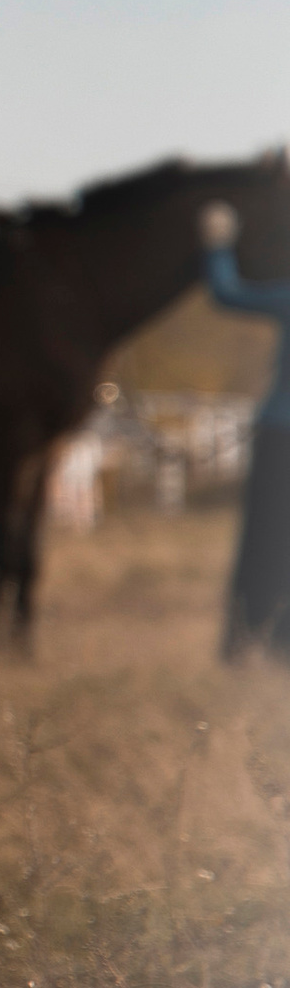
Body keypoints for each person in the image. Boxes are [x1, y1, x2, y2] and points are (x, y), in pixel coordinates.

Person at [200, 203, 290, 661]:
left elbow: (228, 293)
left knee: (262, 537)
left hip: (279, 435)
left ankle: (240, 640)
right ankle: (279, 645)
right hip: (278, 431)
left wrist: (218, 244)